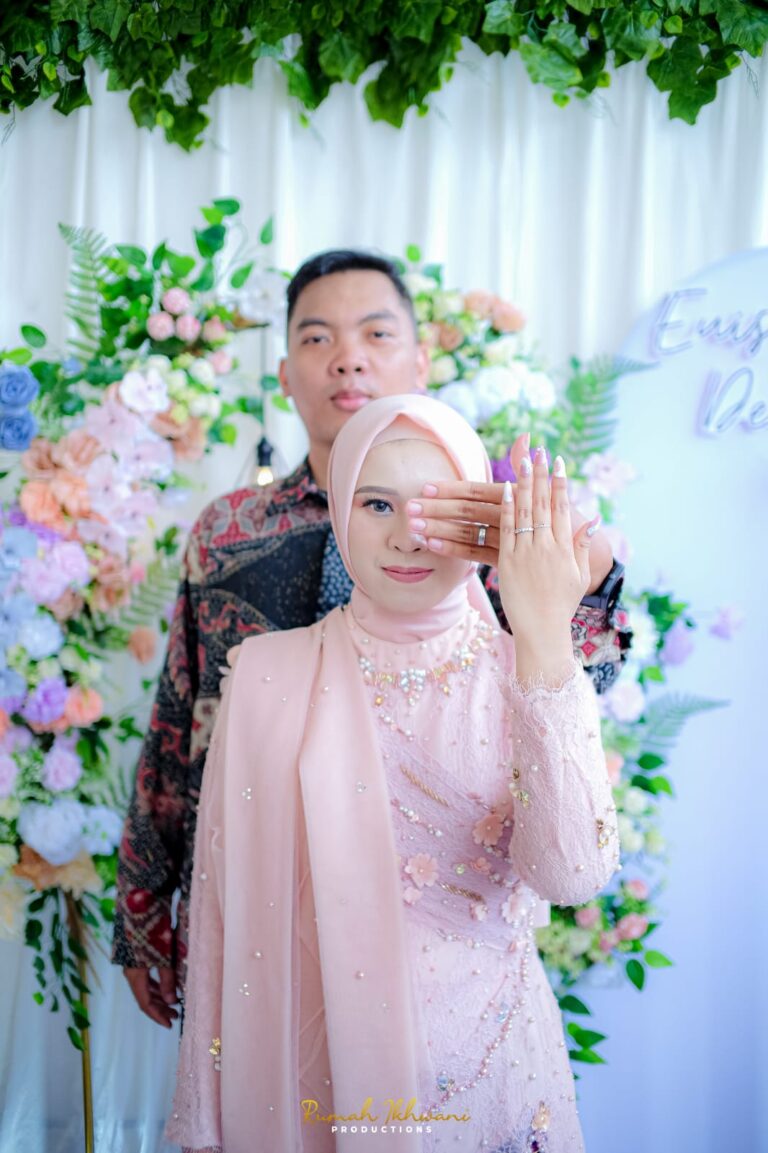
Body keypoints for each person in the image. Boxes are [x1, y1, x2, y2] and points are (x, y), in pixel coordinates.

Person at [112, 250, 629, 1028]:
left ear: (420, 362)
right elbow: (180, 718)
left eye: (376, 333)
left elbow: (579, 687)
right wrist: (145, 907)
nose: (348, 357)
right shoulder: (228, 532)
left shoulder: (484, 526)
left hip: (438, 933)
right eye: (317, 338)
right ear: (285, 375)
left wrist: (584, 575)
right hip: (263, 911)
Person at [165, 393, 620, 1153]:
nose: (409, 533)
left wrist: (543, 634)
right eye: (377, 503)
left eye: (438, 506)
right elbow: (223, 922)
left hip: (495, 1077)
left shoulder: (527, 669)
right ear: (340, 506)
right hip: (317, 1084)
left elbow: (573, 873)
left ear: (482, 519)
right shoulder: (267, 677)